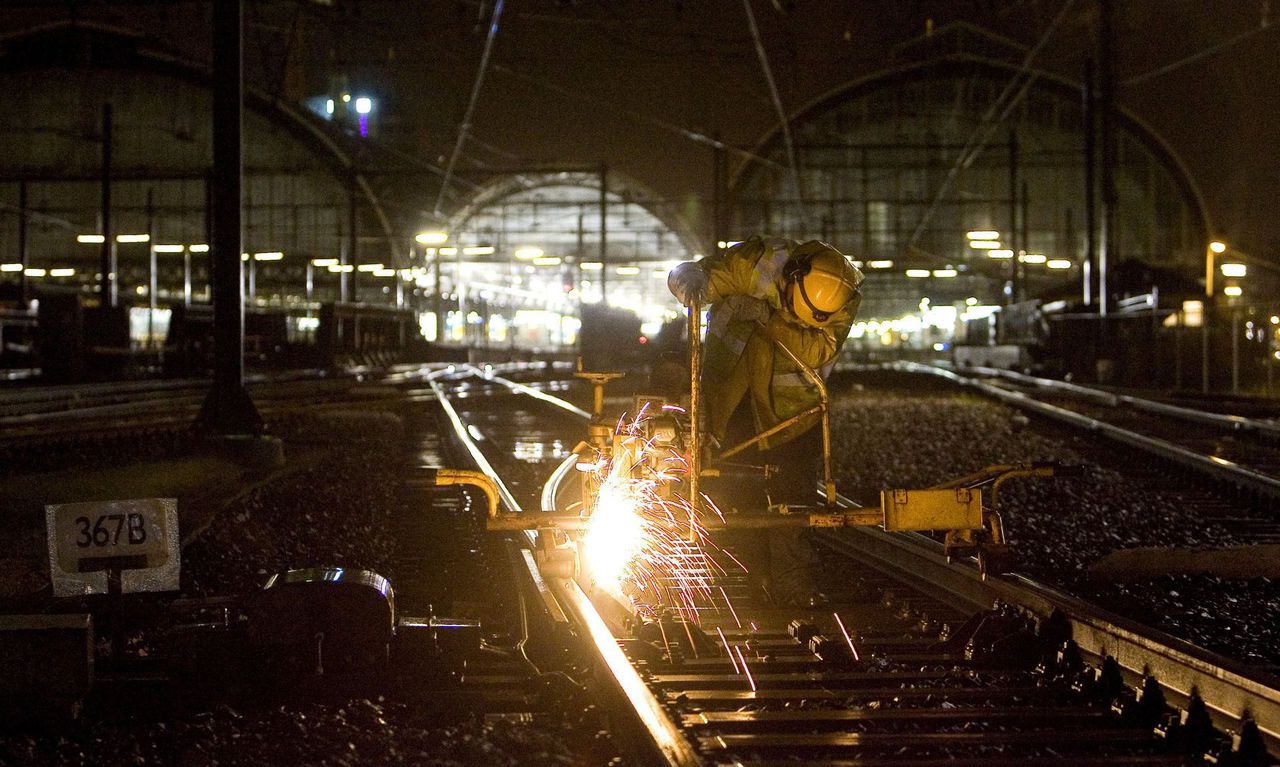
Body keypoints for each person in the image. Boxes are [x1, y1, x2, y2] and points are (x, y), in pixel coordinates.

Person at [667, 236, 862, 605]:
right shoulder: (755, 263)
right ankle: (742, 584)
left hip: (792, 413)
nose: (791, 310)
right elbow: (695, 277)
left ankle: (793, 588)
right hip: (731, 398)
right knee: (731, 493)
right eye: (789, 303)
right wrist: (686, 280)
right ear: (792, 276)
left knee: (792, 503)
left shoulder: (843, 295)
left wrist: (768, 318)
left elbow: (820, 348)